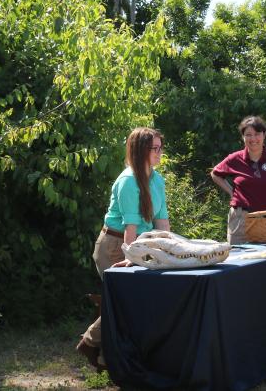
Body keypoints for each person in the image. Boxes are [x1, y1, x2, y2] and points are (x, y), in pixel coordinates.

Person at [76, 127, 170, 371]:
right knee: (124, 301)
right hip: (115, 246)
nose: (160, 153)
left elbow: (162, 222)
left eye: (161, 147)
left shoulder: (157, 179)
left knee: (131, 301)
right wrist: (131, 256)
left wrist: (170, 248)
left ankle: (106, 354)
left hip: (140, 242)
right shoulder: (129, 181)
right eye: (155, 149)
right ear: (141, 152)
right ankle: (93, 344)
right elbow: (131, 226)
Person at [210, 116, 266, 244]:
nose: (253, 139)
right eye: (248, 135)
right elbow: (215, 174)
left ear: (264, 135)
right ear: (243, 137)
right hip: (241, 219)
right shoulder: (235, 159)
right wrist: (231, 192)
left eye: (257, 134)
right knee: (240, 260)